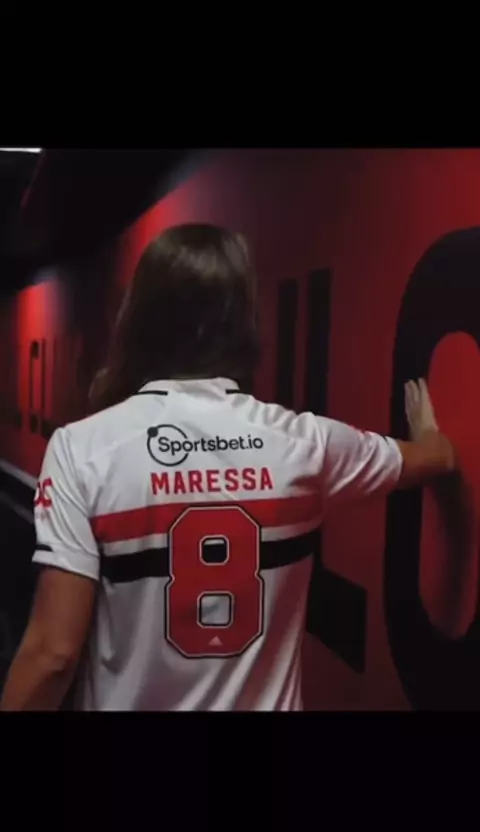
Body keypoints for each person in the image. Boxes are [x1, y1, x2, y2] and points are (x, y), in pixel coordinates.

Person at [0, 224, 465, 711]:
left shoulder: (82, 449)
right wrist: (429, 437)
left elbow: (53, 656)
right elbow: (436, 458)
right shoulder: (306, 444)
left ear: (137, 319)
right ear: (244, 321)